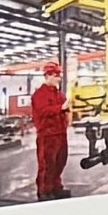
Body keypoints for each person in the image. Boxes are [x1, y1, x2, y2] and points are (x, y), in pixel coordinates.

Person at [25, 63, 74, 201]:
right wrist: (61, 108)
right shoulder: (39, 95)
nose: (59, 78)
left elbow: (66, 108)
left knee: (60, 162)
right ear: (48, 76)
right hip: (47, 135)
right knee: (47, 164)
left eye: (59, 75)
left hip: (60, 133)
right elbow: (43, 111)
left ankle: (56, 187)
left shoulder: (58, 94)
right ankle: (44, 191)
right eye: (56, 75)